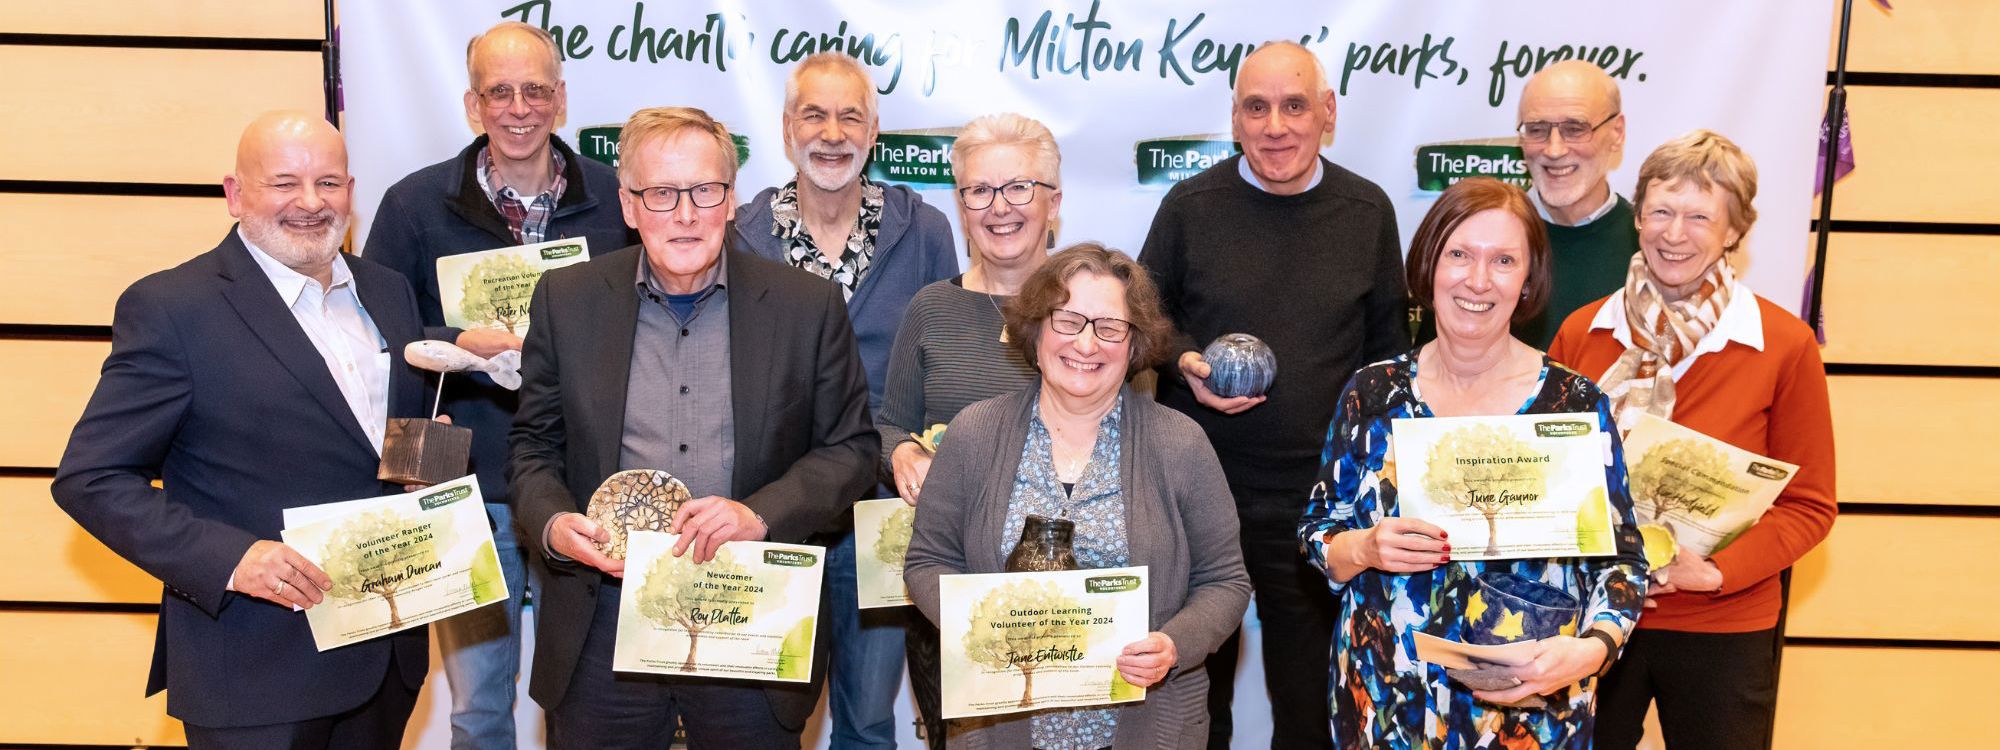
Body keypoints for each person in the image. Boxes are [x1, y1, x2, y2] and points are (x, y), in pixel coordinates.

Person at [52, 111, 430, 748]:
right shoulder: (174, 308)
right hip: (256, 666)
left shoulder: (389, 292)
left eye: (329, 183)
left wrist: (425, 447)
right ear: (235, 194)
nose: (311, 203)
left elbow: (368, 444)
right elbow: (90, 479)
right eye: (285, 183)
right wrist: (231, 558)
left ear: (352, 190)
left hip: (384, 651)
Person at [507, 106, 878, 748]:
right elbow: (533, 448)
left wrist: (760, 515)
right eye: (661, 194)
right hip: (603, 623)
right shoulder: (565, 301)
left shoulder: (806, 307)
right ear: (628, 205)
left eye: (705, 191)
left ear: (731, 200)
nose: (685, 214)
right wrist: (553, 524)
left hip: (750, 614)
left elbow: (851, 450)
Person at [1298, 177, 1649, 748]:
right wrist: (1362, 547)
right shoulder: (1373, 394)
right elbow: (1318, 531)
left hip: (1529, 713)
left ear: (1529, 280)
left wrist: (1592, 650)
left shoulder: (1575, 403)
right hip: (1388, 704)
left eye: (1504, 260)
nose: (1478, 280)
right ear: (1429, 263)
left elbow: (1623, 561)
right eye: (1459, 254)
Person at [362, 22, 634, 748]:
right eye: (499, 91)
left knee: (583, 701)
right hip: (465, 493)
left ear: (562, 99)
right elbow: (375, 331)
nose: (519, 108)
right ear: (471, 103)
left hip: (579, 498)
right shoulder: (414, 206)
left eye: (536, 90)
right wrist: (457, 344)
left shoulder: (618, 202)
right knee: (479, 708)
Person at [1136, 40, 1408, 749]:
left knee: (1307, 701)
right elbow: (1141, 322)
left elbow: (1389, 358)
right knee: (1193, 695)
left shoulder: (1367, 210)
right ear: (1234, 118)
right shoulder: (1190, 205)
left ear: (1328, 114)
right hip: (1197, 494)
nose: (1275, 125)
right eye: (1256, 107)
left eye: (1294, 106)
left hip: (1316, 505)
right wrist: (1188, 361)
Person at [1549, 131, 1837, 750]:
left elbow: (1811, 506)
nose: (1673, 234)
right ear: (1638, 218)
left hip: (1723, 622)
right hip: (1592, 615)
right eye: (1660, 211)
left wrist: (1712, 574)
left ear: (1735, 231)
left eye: (1700, 216)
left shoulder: (1783, 345)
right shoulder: (1583, 333)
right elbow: (1547, 478)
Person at [904, 243, 1252, 748]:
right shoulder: (974, 432)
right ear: (1037, 329)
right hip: (998, 730)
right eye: (1067, 320)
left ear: (1134, 345)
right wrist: (981, 627)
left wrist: (1173, 645)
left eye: (1110, 327)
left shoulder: (1181, 443)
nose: (1087, 345)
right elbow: (927, 560)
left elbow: (1225, 580)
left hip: (1148, 728)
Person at [731, 52, 957, 749]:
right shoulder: (741, 234)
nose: (832, 132)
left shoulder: (923, 231)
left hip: (885, 509)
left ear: (875, 131)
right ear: (786, 127)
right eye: (814, 114)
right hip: (773, 507)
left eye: (850, 115)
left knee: (866, 720)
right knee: (769, 719)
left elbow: (943, 362)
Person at [876, 111, 1063, 749]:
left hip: (1065, 593)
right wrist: (899, 449)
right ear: (961, 206)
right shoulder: (931, 308)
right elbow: (886, 421)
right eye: (979, 192)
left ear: (1054, 201)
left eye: (1019, 188)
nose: (999, 208)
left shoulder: (1091, 311)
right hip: (948, 596)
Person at [1509, 60, 1635, 349]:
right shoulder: (1482, 236)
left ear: (1617, 132)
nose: (1554, 149)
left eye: (1575, 128)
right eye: (1537, 129)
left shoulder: (1652, 246)